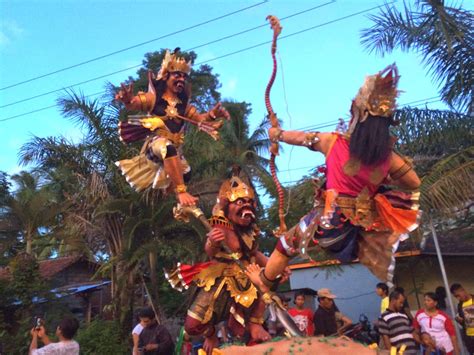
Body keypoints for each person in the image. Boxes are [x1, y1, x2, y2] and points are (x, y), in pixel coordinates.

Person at [254, 64, 422, 293]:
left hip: (331, 226)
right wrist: (385, 177)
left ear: (357, 113)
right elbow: (414, 183)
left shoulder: (334, 142)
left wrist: (277, 134)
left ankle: (264, 282)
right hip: (362, 232)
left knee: (284, 245)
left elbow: (302, 137)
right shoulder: (388, 157)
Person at [165, 173, 289, 354]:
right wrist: (213, 241)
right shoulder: (220, 224)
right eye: (240, 202)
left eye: (249, 202)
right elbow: (210, 250)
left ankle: (254, 326)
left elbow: (254, 253)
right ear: (227, 206)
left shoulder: (250, 230)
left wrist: (275, 265)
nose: (247, 206)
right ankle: (211, 333)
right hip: (221, 278)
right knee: (193, 325)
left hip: (248, 276)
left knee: (269, 282)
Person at [115, 48, 230, 206]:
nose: (181, 79)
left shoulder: (184, 106)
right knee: (167, 148)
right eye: (177, 75)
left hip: (176, 151)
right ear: (166, 76)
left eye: (184, 76)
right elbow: (134, 103)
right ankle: (182, 193)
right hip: (156, 145)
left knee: (187, 173)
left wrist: (213, 114)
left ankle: (171, 192)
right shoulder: (154, 98)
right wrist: (128, 100)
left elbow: (200, 120)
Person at [450, 283, 474, 354]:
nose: (458, 298)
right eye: (456, 297)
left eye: (458, 295)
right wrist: (459, 320)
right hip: (469, 337)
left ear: (462, 290)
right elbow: (464, 322)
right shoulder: (460, 305)